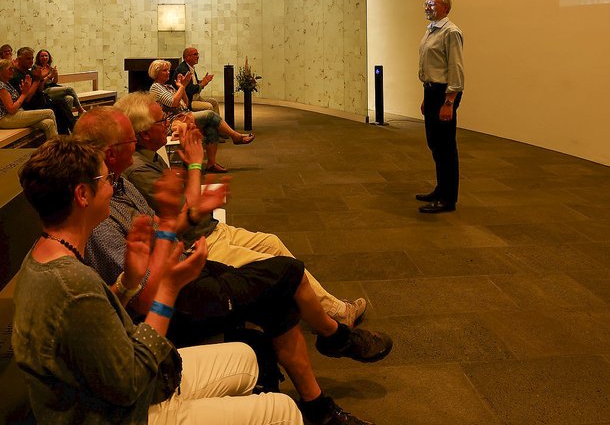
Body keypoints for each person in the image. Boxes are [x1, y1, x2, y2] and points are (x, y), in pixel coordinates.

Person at [77, 107, 388, 425]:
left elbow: (165, 229)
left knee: (278, 289)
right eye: (158, 124)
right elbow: (142, 293)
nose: (169, 124)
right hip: (175, 295)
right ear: (112, 152)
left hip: (184, 264)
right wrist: (187, 193)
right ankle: (335, 338)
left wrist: (184, 218)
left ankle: (318, 403)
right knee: (288, 272)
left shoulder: (119, 184)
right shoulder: (99, 208)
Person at [12, 137, 303, 425]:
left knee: (246, 357)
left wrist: (128, 281)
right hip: (123, 413)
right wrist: (168, 289)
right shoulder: (72, 284)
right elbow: (132, 381)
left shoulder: (44, 255)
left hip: (121, 388)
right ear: (82, 195)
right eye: (104, 180)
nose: (111, 187)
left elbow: (97, 319)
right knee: (283, 409)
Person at [116, 92, 366, 327]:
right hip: (199, 242)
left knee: (272, 242)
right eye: (163, 120)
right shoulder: (138, 169)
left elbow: (181, 199)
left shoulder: (150, 155)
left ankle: (330, 310)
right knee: (278, 266)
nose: (168, 122)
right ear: (145, 133)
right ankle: (335, 318)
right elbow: (189, 208)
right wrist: (194, 163)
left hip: (208, 229)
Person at [148, 59, 251, 173]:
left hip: (184, 116)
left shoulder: (168, 87)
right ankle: (235, 136)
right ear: (156, 73)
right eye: (164, 70)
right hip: (172, 122)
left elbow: (185, 103)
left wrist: (182, 87)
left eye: (168, 70)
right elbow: (173, 103)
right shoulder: (156, 87)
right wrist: (183, 86)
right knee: (210, 115)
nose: (168, 72)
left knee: (210, 126)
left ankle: (211, 164)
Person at [416, 0, 464, 214]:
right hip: (432, 92)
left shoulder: (451, 32)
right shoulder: (431, 29)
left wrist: (449, 102)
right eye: (426, 4)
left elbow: (455, 69)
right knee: (435, 145)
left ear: (445, 8)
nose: (427, 7)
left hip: (444, 93)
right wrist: (427, 98)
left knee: (446, 148)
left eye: (432, 4)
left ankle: (448, 199)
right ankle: (441, 188)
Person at [13, 47, 75, 134]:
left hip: (40, 101)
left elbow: (40, 89)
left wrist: (41, 78)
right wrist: (37, 80)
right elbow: (26, 99)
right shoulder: (16, 75)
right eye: (28, 59)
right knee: (59, 108)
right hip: (30, 107)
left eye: (32, 58)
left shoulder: (28, 71)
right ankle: (73, 133)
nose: (31, 61)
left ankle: (69, 135)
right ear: (19, 59)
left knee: (62, 102)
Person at [0, 58, 57, 139]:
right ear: (1, 71)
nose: (12, 71)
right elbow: (11, 109)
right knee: (49, 112)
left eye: (13, 69)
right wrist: (24, 94)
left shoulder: (6, 83)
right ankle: (58, 147)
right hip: (4, 119)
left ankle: (50, 149)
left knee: (48, 123)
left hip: (15, 114)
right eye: (10, 69)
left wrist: (24, 92)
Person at [35, 49, 84, 114]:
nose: (44, 58)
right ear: (38, 58)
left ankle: (66, 119)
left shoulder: (48, 67)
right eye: (42, 56)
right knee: (70, 89)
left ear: (49, 57)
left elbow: (54, 82)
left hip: (52, 88)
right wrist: (49, 76)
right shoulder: (36, 68)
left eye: (46, 56)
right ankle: (81, 110)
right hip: (44, 91)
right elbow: (39, 85)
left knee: (70, 98)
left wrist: (55, 74)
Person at [174, 46, 220, 116]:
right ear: (187, 57)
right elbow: (189, 90)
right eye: (195, 54)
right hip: (188, 100)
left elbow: (194, 83)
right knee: (209, 106)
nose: (198, 56)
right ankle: (207, 125)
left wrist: (203, 81)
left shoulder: (190, 67)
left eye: (197, 54)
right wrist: (202, 84)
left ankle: (217, 125)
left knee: (214, 102)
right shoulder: (183, 70)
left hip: (195, 98)